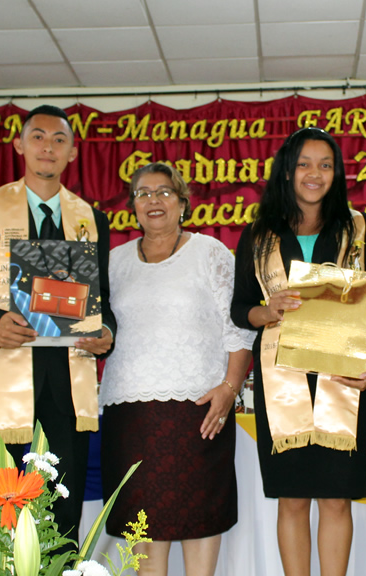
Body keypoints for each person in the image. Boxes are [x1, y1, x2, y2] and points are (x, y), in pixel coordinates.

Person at [0, 105, 116, 558]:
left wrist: (105, 334)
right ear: (19, 145)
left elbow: (103, 303)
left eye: (59, 140)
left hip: (65, 392)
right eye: (38, 137)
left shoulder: (91, 219)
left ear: (73, 152)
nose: (48, 148)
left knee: (59, 515)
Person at [231, 127, 366, 576]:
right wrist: (267, 310)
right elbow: (240, 308)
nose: (314, 174)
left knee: (337, 498)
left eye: (325, 164)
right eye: (304, 164)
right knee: (293, 497)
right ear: (287, 171)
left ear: (337, 173)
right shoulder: (259, 235)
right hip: (281, 375)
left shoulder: (358, 228)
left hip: (344, 375)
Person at [98, 162, 254, 576]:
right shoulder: (113, 262)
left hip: (199, 410)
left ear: (183, 203)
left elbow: (238, 329)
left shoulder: (210, 253)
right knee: (144, 530)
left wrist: (229, 387)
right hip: (129, 414)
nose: (154, 200)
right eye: (143, 193)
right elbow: (100, 330)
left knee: (200, 519)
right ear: (132, 205)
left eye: (164, 192)